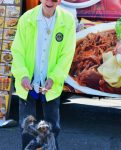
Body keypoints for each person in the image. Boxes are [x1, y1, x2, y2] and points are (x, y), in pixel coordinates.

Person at [11, 0, 76, 149]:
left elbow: (67, 55)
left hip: (50, 86)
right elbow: (18, 51)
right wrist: (23, 75)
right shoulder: (26, 19)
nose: (49, 2)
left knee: (51, 130)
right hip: (27, 85)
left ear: (59, 1)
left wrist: (54, 77)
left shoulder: (67, 21)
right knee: (28, 130)